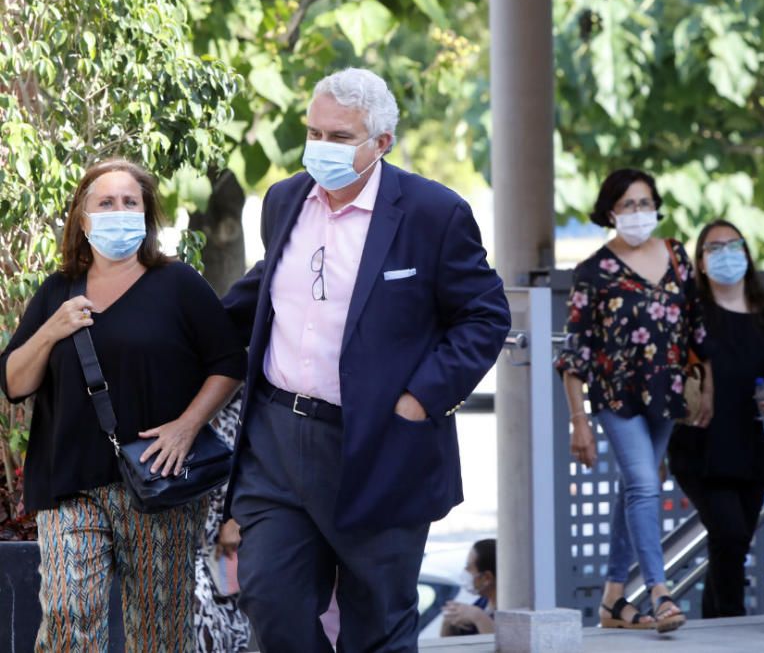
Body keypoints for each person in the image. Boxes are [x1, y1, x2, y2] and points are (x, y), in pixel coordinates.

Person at [221, 67, 510, 653]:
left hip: (380, 443)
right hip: (276, 442)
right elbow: (261, 293)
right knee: (269, 600)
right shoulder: (282, 200)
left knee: (376, 623)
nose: (320, 149)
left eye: (339, 137)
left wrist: (418, 400)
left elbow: (485, 316)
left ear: (381, 143)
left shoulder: (433, 213)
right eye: (314, 133)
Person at [0, 159, 245, 650]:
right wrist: (52, 329)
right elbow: (13, 382)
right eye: (106, 203)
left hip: (159, 481)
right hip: (69, 484)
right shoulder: (57, 292)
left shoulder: (179, 284)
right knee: (69, 620)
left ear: (146, 213)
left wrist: (187, 426)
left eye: (129, 202)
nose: (119, 211)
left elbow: (229, 364)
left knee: (158, 633)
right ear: (83, 220)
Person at [555, 168, 712, 633]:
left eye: (646, 203)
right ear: (610, 212)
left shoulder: (676, 255)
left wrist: (705, 385)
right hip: (616, 396)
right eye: (628, 205)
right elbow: (574, 353)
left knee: (633, 490)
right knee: (645, 484)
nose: (639, 213)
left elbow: (697, 328)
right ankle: (660, 593)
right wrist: (578, 422)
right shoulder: (593, 272)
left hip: (667, 394)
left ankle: (612, 601)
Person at [668, 219, 764, 618]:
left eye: (733, 245)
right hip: (701, 446)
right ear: (701, 264)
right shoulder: (689, 315)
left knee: (735, 543)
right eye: (713, 248)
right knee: (729, 533)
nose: (725, 253)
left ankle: (716, 624)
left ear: (746, 252)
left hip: (756, 442)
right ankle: (731, 618)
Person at [194, 396, 252, 653]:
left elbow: (258, 465)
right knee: (195, 609)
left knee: (231, 618)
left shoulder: (246, 409)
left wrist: (238, 519)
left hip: (229, 527)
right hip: (190, 527)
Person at [440, 538, 497, 637]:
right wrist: (448, 623)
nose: (465, 571)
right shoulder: (482, 603)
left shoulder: (509, 612)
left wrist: (478, 617)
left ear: (487, 577)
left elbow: (503, 646)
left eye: (469, 567)